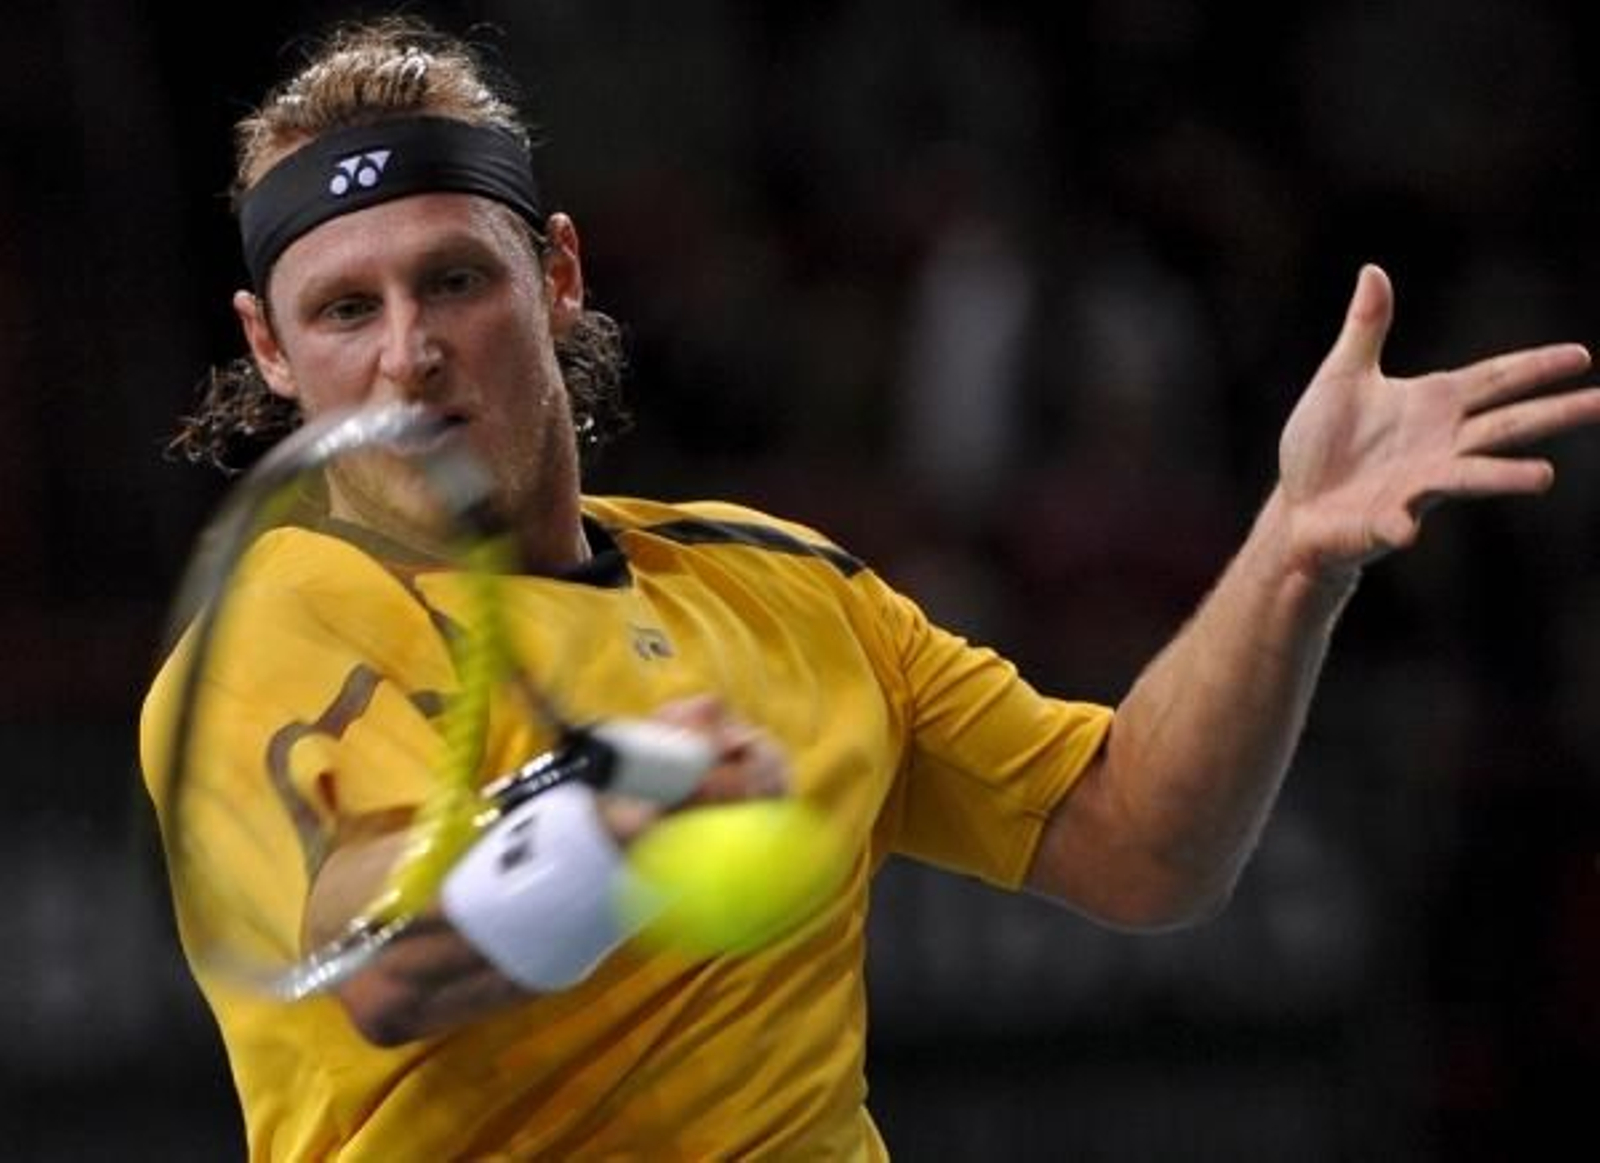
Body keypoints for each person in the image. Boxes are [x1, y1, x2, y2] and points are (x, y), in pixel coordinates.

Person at [139, 14, 1600, 1162]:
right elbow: (375, 965)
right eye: (347, 309)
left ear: (557, 273)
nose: (408, 352)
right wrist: (597, 811)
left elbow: (1144, 845)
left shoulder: (785, 590)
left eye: (455, 280)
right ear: (271, 350)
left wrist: (1293, 553)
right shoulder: (280, 622)